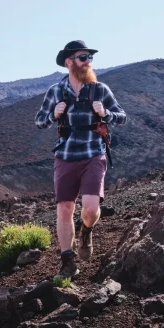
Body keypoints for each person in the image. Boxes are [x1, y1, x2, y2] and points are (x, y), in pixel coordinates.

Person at [35, 40, 127, 280]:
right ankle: (68, 262)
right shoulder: (56, 91)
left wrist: (105, 113)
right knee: (65, 209)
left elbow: (122, 117)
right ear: (69, 62)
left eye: (89, 58)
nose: (88, 62)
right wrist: (53, 114)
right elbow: (39, 120)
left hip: (93, 154)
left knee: (90, 208)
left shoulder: (99, 89)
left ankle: (86, 230)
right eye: (83, 57)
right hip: (65, 155)